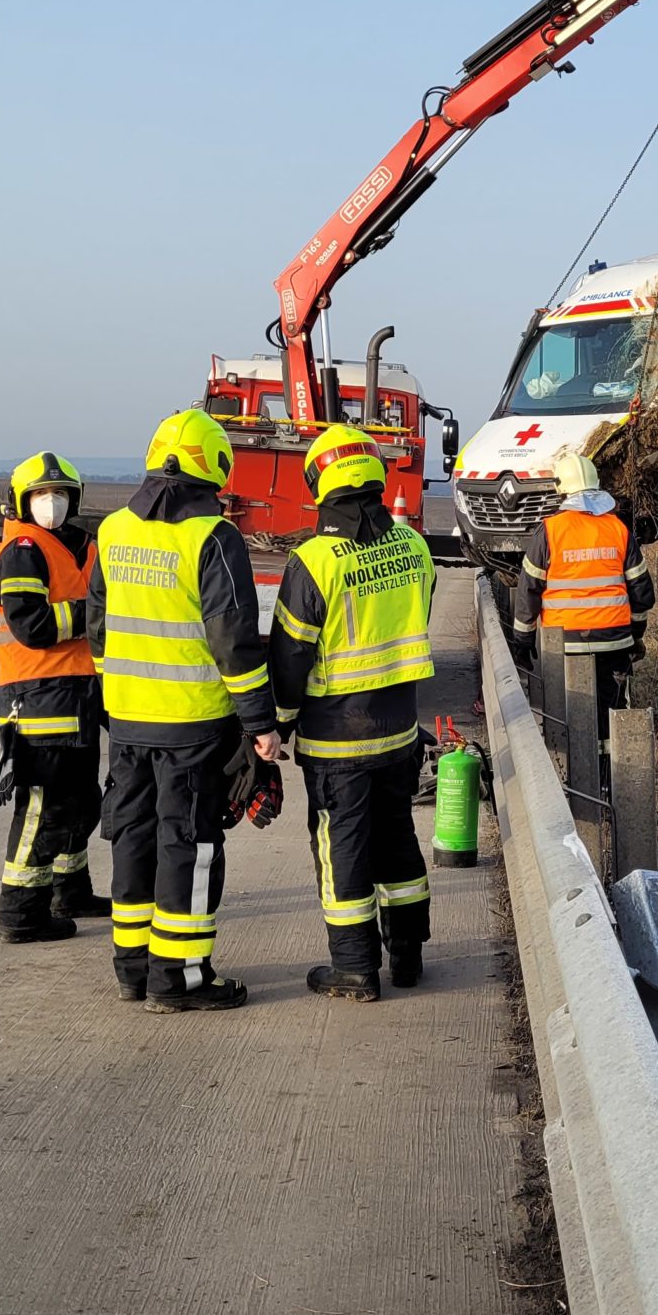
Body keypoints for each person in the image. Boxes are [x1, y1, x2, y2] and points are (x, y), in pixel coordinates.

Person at [87, 409, 282, 1010]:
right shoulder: (212, 537)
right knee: (188, 849)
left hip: (128, 722)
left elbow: (98, 628)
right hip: (192, 726)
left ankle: (133, 970)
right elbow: (233, 642)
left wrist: (117, 696)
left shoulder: (113, 530)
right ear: (214, 467)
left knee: (133, 840)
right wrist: (260, 723)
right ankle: (180, 978)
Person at [269, 424, 435, 1002]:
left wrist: (278, 722)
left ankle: (355, 967)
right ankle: (408, 957)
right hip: (400, 731)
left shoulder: (314, 561)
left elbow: (290, 656)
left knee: (342, 849)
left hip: (336, 739)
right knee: (398, 839)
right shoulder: (413, 545)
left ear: (319, 483)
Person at [0, 452, 106, 942]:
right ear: (20, 501)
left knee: (80, 800)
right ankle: (21, 914)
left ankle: (70, 891)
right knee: (42, 806)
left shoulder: (82, 546)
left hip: (80, 693)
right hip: (36, 695)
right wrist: (92, 614)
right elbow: (31, 626)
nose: (51, 503)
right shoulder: (22, 550)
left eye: (59, 494)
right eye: (39, 494)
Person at [511, 449, 654, 709]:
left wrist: (522, 641)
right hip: (614, 640)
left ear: (560, 489)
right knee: (611, 711)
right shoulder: (617, 528)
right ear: (596, 484)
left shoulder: (550, 531)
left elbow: (528, 590)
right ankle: (608, 738)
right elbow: (641, 592)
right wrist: (635, 634)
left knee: (569, 715)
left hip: (564, 644)